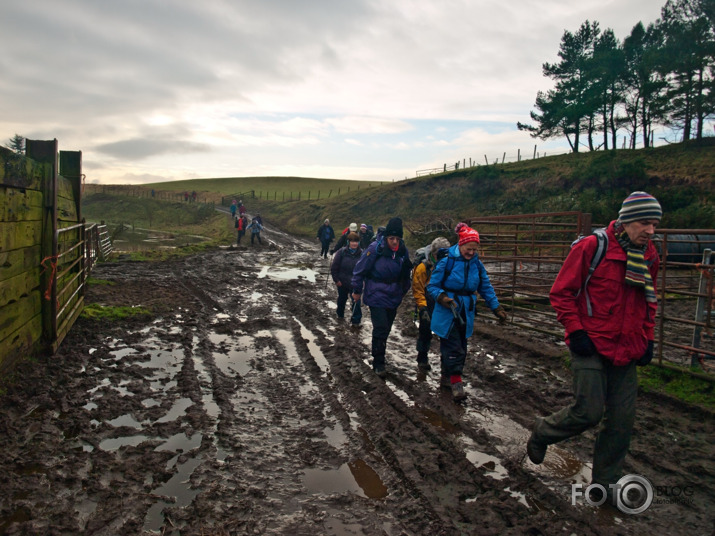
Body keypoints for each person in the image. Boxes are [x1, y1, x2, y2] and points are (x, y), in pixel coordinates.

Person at [526, 192, 662, 503]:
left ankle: (605, 485)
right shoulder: (593, 247)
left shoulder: (650, 255)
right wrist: (576, 332)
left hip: (627, 347)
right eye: (645, 223)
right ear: (626, 221)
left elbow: (648, 301)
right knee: (588, 412)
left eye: (654, 224)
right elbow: (561, 292)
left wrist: (648, 338)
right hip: (590, 343)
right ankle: (543, 431)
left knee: (621, 421)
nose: (650, 231)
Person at [427, 223, 507, 401]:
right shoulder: (446, 262)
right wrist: (442, 298)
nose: (471, 253)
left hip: (467, 311)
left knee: (460, 345)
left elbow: (485, 286)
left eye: (474, 249)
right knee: (454, 346)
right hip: (449, 311)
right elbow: (432, 286)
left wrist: (496, 308)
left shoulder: (476, 265)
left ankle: (446, 376)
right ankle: (456, 382)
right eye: (468, 249)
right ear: (461, 244)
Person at [351, 217, 412, 377]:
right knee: (380, 327)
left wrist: (403, 290)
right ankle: (378, 362)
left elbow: (406, 273)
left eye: (397, 239)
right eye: (391, 238)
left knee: (386, 329)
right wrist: (357, 290)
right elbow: (360, 269)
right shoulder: (375, 248)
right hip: (376, 293)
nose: (394, 242)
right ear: (386, 237)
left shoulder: (402, 251)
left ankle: (380, 352)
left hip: (393, 295)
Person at [412, 237, 451, 372]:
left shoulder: (449, 265)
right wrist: (422, 308)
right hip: (427, 301)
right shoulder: (423, 267)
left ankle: (446, 365)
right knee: (425, 331)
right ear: (434, 254)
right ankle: (422, 358)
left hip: (442, 301)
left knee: (446, 334)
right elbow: (418, 288)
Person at [330, 232, 363, 327]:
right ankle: (340, 315)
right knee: (342, 299)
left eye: (356, 241)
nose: (354, 244)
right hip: (342, 282)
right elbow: (334, 267)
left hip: (355, 283)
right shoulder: (342, 252)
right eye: (352, 241)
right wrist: (336, 280)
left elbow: (365, 269)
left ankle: (356, 321)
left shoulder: (362, 254)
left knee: (356, 301)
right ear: (348, 242)